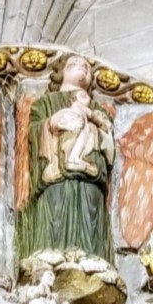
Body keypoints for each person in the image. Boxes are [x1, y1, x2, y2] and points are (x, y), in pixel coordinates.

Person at [16, 53, 117, 263]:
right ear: (60, 73)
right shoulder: (46, 102)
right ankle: (50, 259)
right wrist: (52, 122)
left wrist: (98, 126)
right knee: (56, 209)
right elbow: (34, 132)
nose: (83, 67)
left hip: (91, 176)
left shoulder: (97, 109)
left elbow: (108, 140)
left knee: (90, 213)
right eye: (74, 64)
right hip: (57, 175)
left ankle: (91, 260)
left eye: (87, 67)